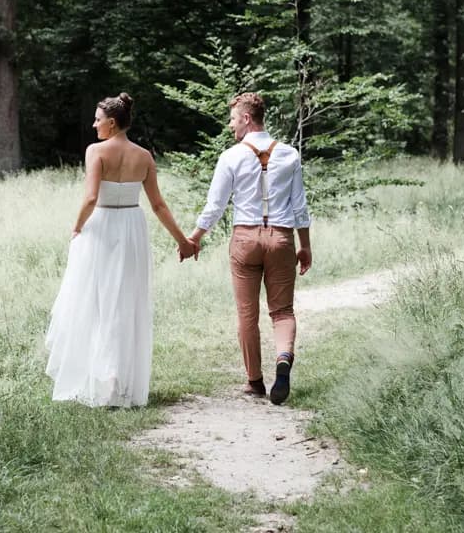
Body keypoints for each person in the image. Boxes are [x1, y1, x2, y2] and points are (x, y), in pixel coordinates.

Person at [46, 93, 197, 407]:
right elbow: (157, 205)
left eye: (98, 119)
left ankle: (100, 377)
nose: (94, 124)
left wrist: (76, 228)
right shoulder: (144, 156)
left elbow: (89, 199)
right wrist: (182, 240)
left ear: (111, 123)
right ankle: (117, 378)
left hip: (100, 228)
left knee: (94, 302)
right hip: (132, 228)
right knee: (125, 302)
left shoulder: (96, 151)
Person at [186, 92, 312, 405]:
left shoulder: (230, 157)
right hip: (281, 238)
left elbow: (216, 205)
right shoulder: (290, 154)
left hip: (245, 239)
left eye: (232, 119)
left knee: (247, 314)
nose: (230, 126)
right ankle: (283, 360)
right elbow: (299, 206)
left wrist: (195, 236)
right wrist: (305, 245)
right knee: (282, 312)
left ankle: (255, 382)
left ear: (246, 118)